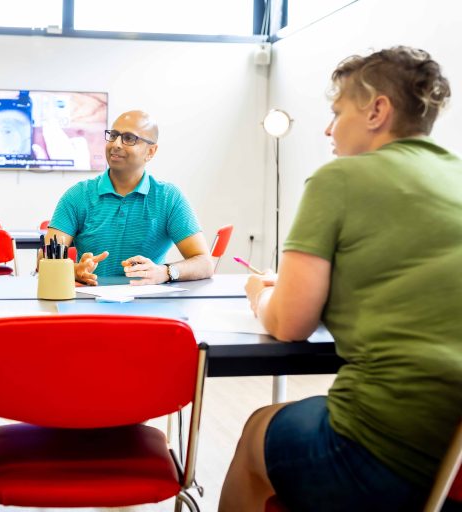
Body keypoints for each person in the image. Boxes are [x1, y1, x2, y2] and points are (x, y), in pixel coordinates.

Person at [219, 46, 462, 511]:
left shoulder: (339, 180)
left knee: (255, 431)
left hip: (385, 447)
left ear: (377, 110)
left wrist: (259, 294)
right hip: (455, 459)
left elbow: (290, 323)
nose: (328, 129)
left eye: (337, 113)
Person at [46, 110, 215, 286]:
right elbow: (45, 259)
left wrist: (165, 272)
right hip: (90, 304)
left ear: (151, 151)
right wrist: (73, 270)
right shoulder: (78, 196)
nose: (116, 144)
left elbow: (205, 263)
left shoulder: (168, 198)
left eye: (128, 138)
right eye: (113, 135)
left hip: (148, 306)